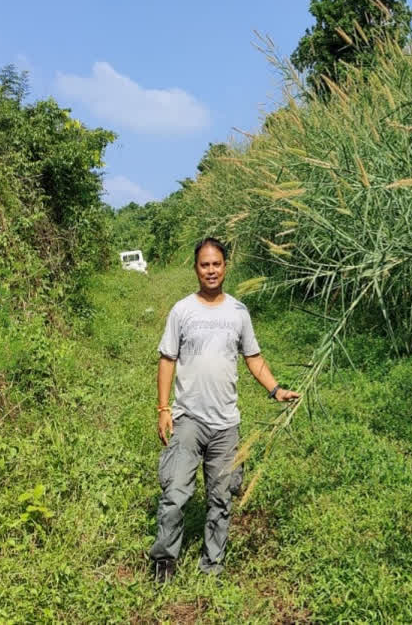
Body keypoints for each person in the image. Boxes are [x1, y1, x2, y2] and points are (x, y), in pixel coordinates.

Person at [149, 237, 299, 583]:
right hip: (188, 418)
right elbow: (167, 359)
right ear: (196, 269)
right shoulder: (182, 310)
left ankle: (212, 565)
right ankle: (164, 563)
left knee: (221, 497)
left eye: (217, 264)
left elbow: (254, 358)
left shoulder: (238, 312)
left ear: (225, 267)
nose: (211, 270)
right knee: (174, 492)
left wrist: (275, 389)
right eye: (205, 265)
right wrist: (163, 408)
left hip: (226, 425)